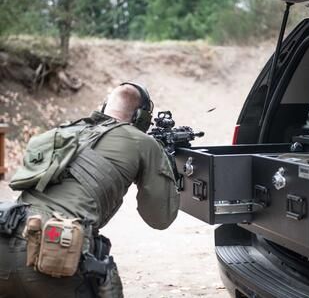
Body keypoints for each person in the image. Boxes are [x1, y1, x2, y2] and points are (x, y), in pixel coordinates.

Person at [0, 82, 180, 298]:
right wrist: (165, 164)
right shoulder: (143, 142)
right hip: (56, 247)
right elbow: (160, 218)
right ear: (141, 117)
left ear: (104, 106)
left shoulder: (65, 131)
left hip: (6, 232)